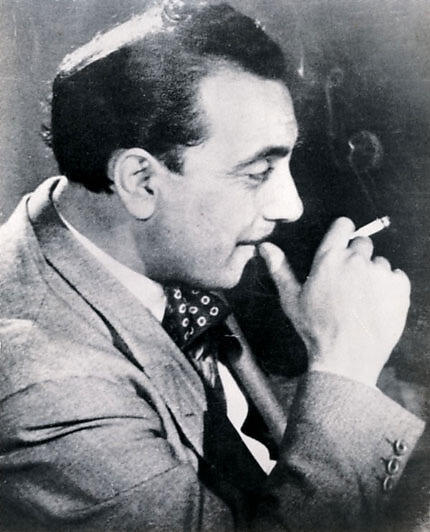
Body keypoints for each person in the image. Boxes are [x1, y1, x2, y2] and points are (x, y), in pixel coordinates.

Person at [0, 1, 425, 530]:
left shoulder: (145, 245)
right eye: (258, 172)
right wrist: (345, 367)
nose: (290, 206)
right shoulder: (47, 387)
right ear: (140, 181)